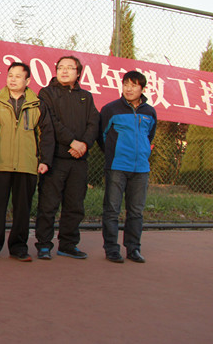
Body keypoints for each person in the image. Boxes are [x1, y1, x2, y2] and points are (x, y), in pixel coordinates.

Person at [0, 62, 52, 262]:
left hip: (28, 165)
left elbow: (46, 135)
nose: (13, 79)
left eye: (18, 76)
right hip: (0, 164)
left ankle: (19, 247)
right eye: (10, 75)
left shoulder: (38, 105)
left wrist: (44, 160)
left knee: (22, 209)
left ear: (27, 81)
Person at [34, 55, 99, 260]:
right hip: (55, 159)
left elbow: (93, 123)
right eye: (61, 67)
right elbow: (51, 122)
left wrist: (84, 144)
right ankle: (44, 245)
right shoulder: (46, 93)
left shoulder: (86, 97)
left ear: (78, 73)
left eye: (70, 68)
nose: (64, 71)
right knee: (48, 205)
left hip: (79, 160)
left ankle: (68, 245)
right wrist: (72, 142)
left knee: (75, 206)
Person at [98, 70, 156, 263]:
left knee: (136, 211)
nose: (129, 89)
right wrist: (113, 153)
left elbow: (149, 136)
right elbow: (102, 135)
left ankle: (133, 249)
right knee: (112, 210)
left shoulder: (150, 112)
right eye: (126, 85)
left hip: (141, 169)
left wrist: (142, 153)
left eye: (134, 85)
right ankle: (111, 249)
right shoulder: (111, 109)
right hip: (117, 166)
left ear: (142, 88)